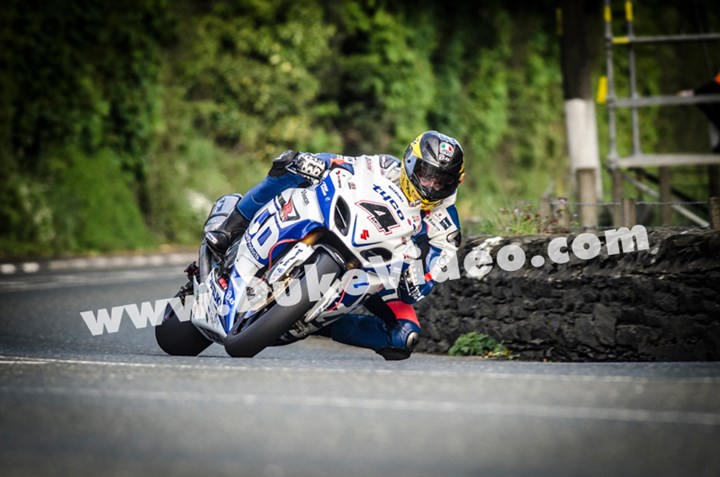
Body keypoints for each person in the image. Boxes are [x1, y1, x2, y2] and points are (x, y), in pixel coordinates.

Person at [205, 130, 465, 360]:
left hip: (381, 269)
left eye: (441, 181)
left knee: (405, 336)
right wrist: (315, 161)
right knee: (289, 165)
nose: (431, 185)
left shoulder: (447, 225)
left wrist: (417, 280)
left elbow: (436, 266)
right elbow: (344, 163)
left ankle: (309, 321)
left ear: (454, 183)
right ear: (410, 161)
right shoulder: (386, 166)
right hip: (346, 225)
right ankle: (232, 224)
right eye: (426, 173)